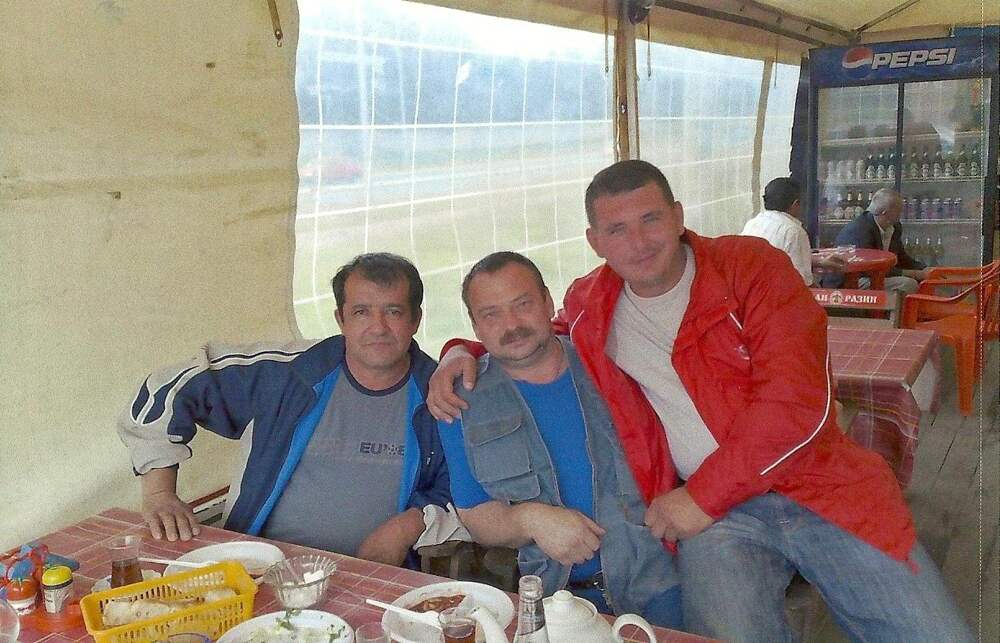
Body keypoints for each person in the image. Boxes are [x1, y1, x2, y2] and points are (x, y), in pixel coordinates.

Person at [428, 161, 971, 641]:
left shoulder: (751, 268)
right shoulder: (593, 303)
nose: (638, 242)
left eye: (650, 219)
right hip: (721, 520)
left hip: (814, 487)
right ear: (595, 241)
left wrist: (699, 498)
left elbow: (793, 407)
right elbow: (529, 337)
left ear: (679, 215)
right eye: (617, 229)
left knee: (930, 633)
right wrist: (460, 352)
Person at [117, 253, 451, 568]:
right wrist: (160, 493)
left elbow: (463, 493)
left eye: (393, 312)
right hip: (257, 566)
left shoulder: (440, 395)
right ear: (341, 319)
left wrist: (408, 525)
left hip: (370, 575)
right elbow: (166, 388)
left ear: (416, 319)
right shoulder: (287, 373)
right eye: (361, 312)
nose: (378, 327)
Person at [437, 252, 682, 628]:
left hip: (660, 588)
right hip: (554, 604)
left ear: (548, 302)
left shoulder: (616, 364)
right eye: (492, 314)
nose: (512, 325)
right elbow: (475, 516)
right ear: (475, 325)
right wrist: (529, 519)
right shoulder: (458, 402)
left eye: (523, 304)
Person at [741, 177, 845, 285]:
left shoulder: (752, 224)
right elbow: (801, 282)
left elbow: (779, 260)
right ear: (795, 204)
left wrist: (819, 262)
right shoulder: (794, 231)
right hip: (775, 292)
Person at [825, 187, 928, 293]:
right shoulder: (861, 229)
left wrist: (924, 269)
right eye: (898, 210)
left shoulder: (894, 228)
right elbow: (867, 268)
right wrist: (914, 274)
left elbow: (901, 258)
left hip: (874, 276)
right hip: (849, 282)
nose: (901, 213)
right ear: (885, 212)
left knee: (918, 281)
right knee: (907, 284)